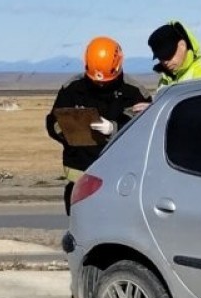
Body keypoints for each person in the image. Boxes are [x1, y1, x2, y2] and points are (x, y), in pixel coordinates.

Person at [44, 37, 148, 214]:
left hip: (118, 179)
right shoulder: (72, 88)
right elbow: (53, 122)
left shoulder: (134, 92)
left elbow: (144, 131)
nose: (100, 84)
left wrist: (114, 128)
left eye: (105, 81)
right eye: (96, 80)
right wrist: (67, 129)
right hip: (79, 176)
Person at [147, 21, 201, 88]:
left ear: (182, 45)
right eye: (161, 57)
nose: (165, 62)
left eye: (168, 55)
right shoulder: (164, 81)